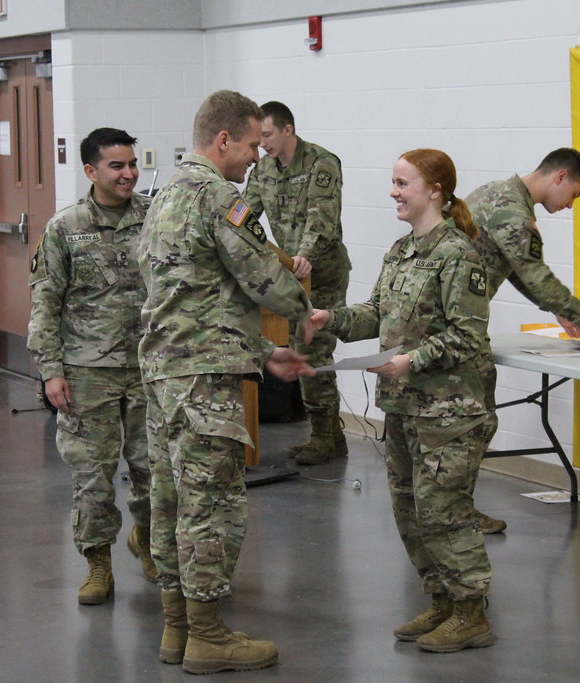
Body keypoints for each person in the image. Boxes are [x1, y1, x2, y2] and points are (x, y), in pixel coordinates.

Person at [137, 90, 314, 674]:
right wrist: (302, 308)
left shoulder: (163, 195)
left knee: (169, 503)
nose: (257, 158)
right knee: (211, 507)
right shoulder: (219, 197)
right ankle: (209, 636)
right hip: (203, 382)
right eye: (252, 146)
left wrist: (263, 351)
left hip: (165, 375)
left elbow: (191, 297)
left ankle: (177, 629)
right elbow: (264, 278)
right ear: (223, 141)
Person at [306, 149, 495, 653]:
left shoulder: (458, 254)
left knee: (445, 512)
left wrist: (410, 360)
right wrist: (333, 319)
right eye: (392, 181)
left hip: (448, 413)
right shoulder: (400, 251)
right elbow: (376, 314)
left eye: (401, 182)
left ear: (434, 190)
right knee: (410, 511)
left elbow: (467, 336)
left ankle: (471, 612)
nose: (393, 191)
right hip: (404, 408)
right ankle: (441, 601)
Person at [465, 147, 580, 534]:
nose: (570, 205)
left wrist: (555, 307)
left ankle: (441, 510)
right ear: (560, 177)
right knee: (475, 421)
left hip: (445, 315)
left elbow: (513, 265)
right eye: (574, 194)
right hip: (455, 322)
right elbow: (533, 271)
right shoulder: (515, 213)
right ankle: (454, 514)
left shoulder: (495, 193)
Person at [27, 127, 156, 606]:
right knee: (93, 476)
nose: (128, 174)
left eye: (132, 164)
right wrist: (50, 369)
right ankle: (98, 564)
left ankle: (147, 540)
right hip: (87, 370)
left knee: (153, 468)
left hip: (149, 366)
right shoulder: (66, 227)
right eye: (117, 166)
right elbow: (45, 301)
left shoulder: (155, 217)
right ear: (91, 171)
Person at [243, 101, 352, 465]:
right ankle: (331, 436)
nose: (263, 144)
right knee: (299, 347)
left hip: (322, 273)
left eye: (268, 135)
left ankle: (325, 434)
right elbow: (245, 215)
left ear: (288, 129)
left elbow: (321, 220)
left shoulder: (322, 163)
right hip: (289, 275)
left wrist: (304, 256)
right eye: (259, 138)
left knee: (313, 349)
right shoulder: (263, 170)